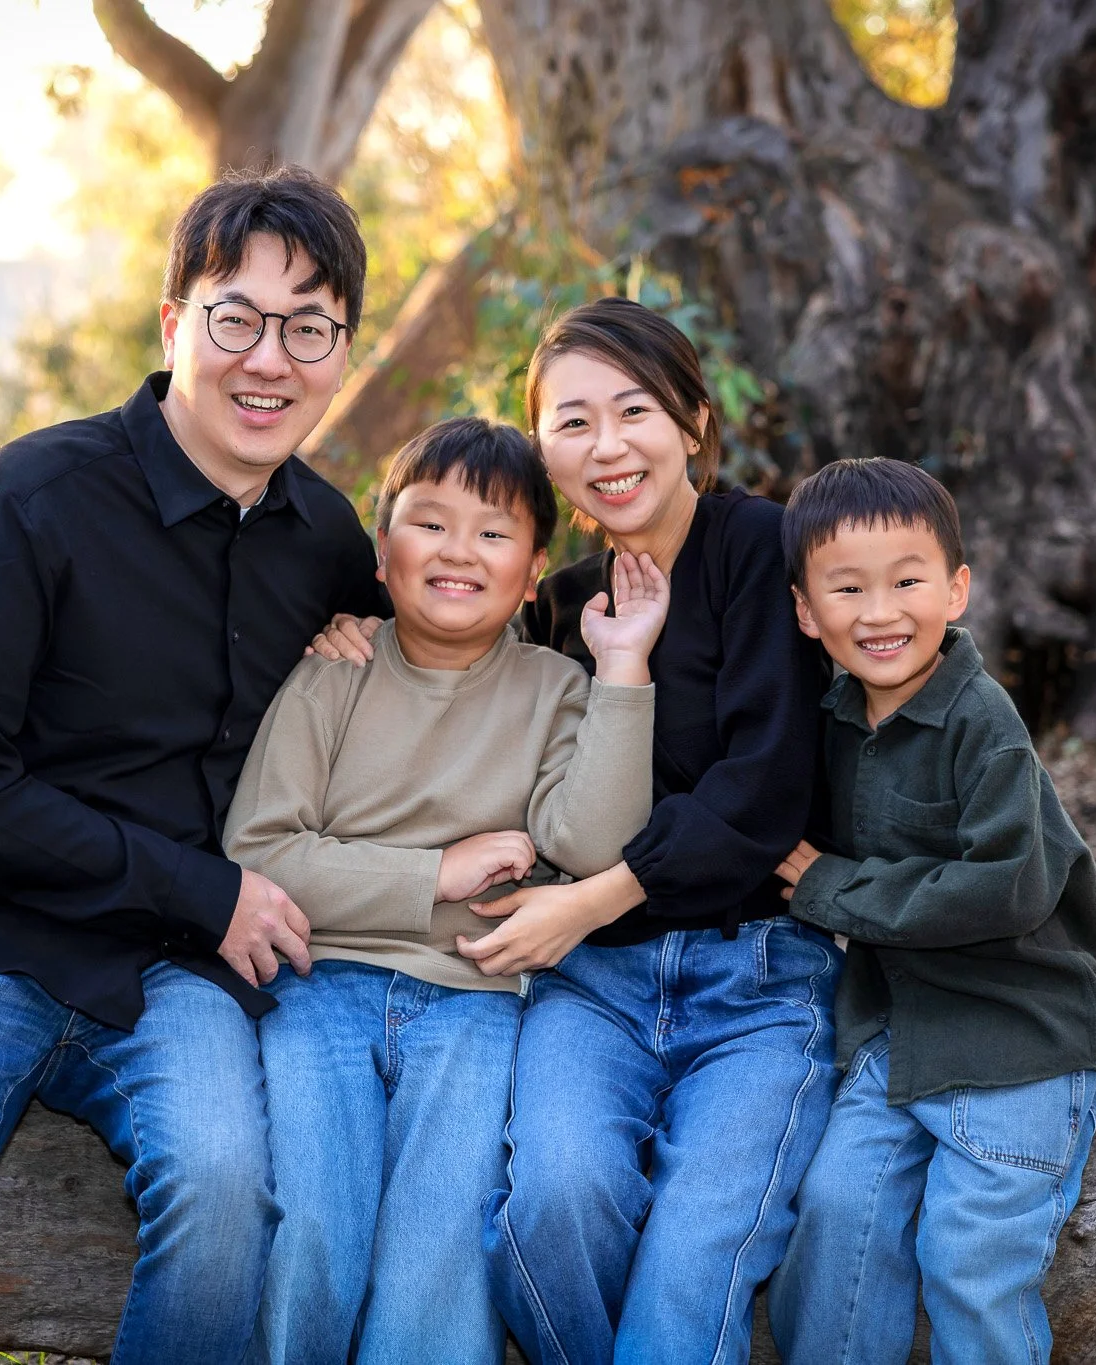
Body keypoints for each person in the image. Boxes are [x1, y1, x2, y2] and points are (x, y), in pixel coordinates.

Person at [0, 166, 385, 1365]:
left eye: (307, 328)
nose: (269, 359)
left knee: (225, 1208)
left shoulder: (324, 539)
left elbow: (448, 654)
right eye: (237, 318)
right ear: (175, 325)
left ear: (340, 354)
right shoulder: (30, 498)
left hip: (174, 978)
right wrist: (202, 890)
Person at [312, 297, 843, 1365]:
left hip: (756, 977)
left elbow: (761, 790)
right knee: (546, 1212)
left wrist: (586, 900)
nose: (605, 447)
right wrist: (346, 622)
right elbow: (445, 626)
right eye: (570, 422)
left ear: (693, 419)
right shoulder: (557, 604)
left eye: (632, 410)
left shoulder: (759, 550)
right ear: (544, 451)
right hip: (592, 987)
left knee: (696, 1248)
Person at [224, 416, 666, 1365]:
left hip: (476, 1005)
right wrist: (438, 873)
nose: (459, 551)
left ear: (535, 566)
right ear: (381, 554)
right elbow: (260, 854)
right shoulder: (330, 677)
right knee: (311, 1234)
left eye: (494, 533)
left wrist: (623, 668)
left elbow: (593, 842)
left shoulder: (557, 690)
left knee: (438, 1265)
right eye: (429, 524)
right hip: (318, 990)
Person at [766, 457, 1096, 1365]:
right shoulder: (832, 718)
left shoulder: (982, 722)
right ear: (807, 610)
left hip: (1016, 1041)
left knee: (966, 1260)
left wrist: (832, 886)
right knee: (837, 1214)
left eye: (908, 581)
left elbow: (1008, 885)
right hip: (900, 1032)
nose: (880, 612)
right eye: (847, 588)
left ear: (956, 590)